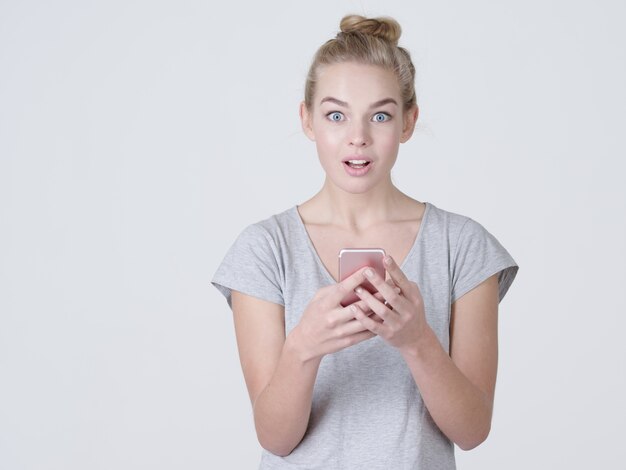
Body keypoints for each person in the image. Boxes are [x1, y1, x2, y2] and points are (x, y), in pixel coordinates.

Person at [212, 14, 519, 470]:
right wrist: (303, 346)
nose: (358, 137)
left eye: (380, 115)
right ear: (308, 120)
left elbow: (473, 431)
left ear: (409, 122)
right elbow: (275, 438)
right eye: (336, 115)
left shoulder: (463, 246)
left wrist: (418, 341)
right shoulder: (265, 249)